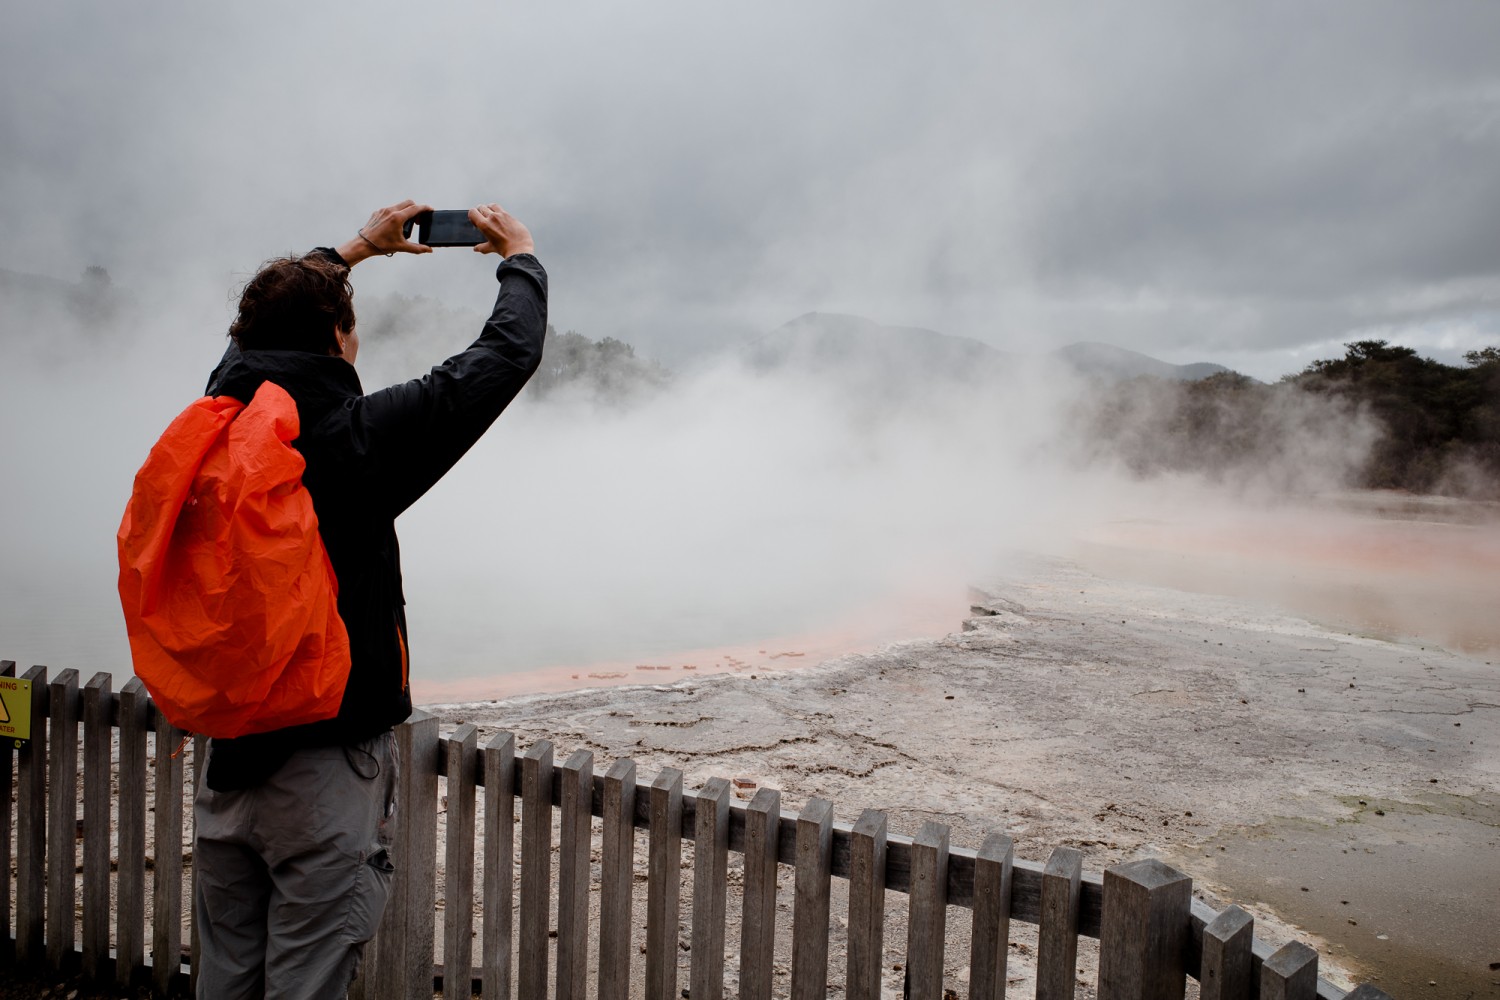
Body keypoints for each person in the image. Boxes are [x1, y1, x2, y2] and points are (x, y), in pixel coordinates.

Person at [191, 199, 546, 999]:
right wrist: (519, 257)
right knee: (307, 980)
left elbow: (246, 348)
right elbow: (502, 356)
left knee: (225, 977)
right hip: (323, 764)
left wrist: (351, 252)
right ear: (339, 339)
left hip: (229, 758)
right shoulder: (353, 440)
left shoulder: (220, 419)